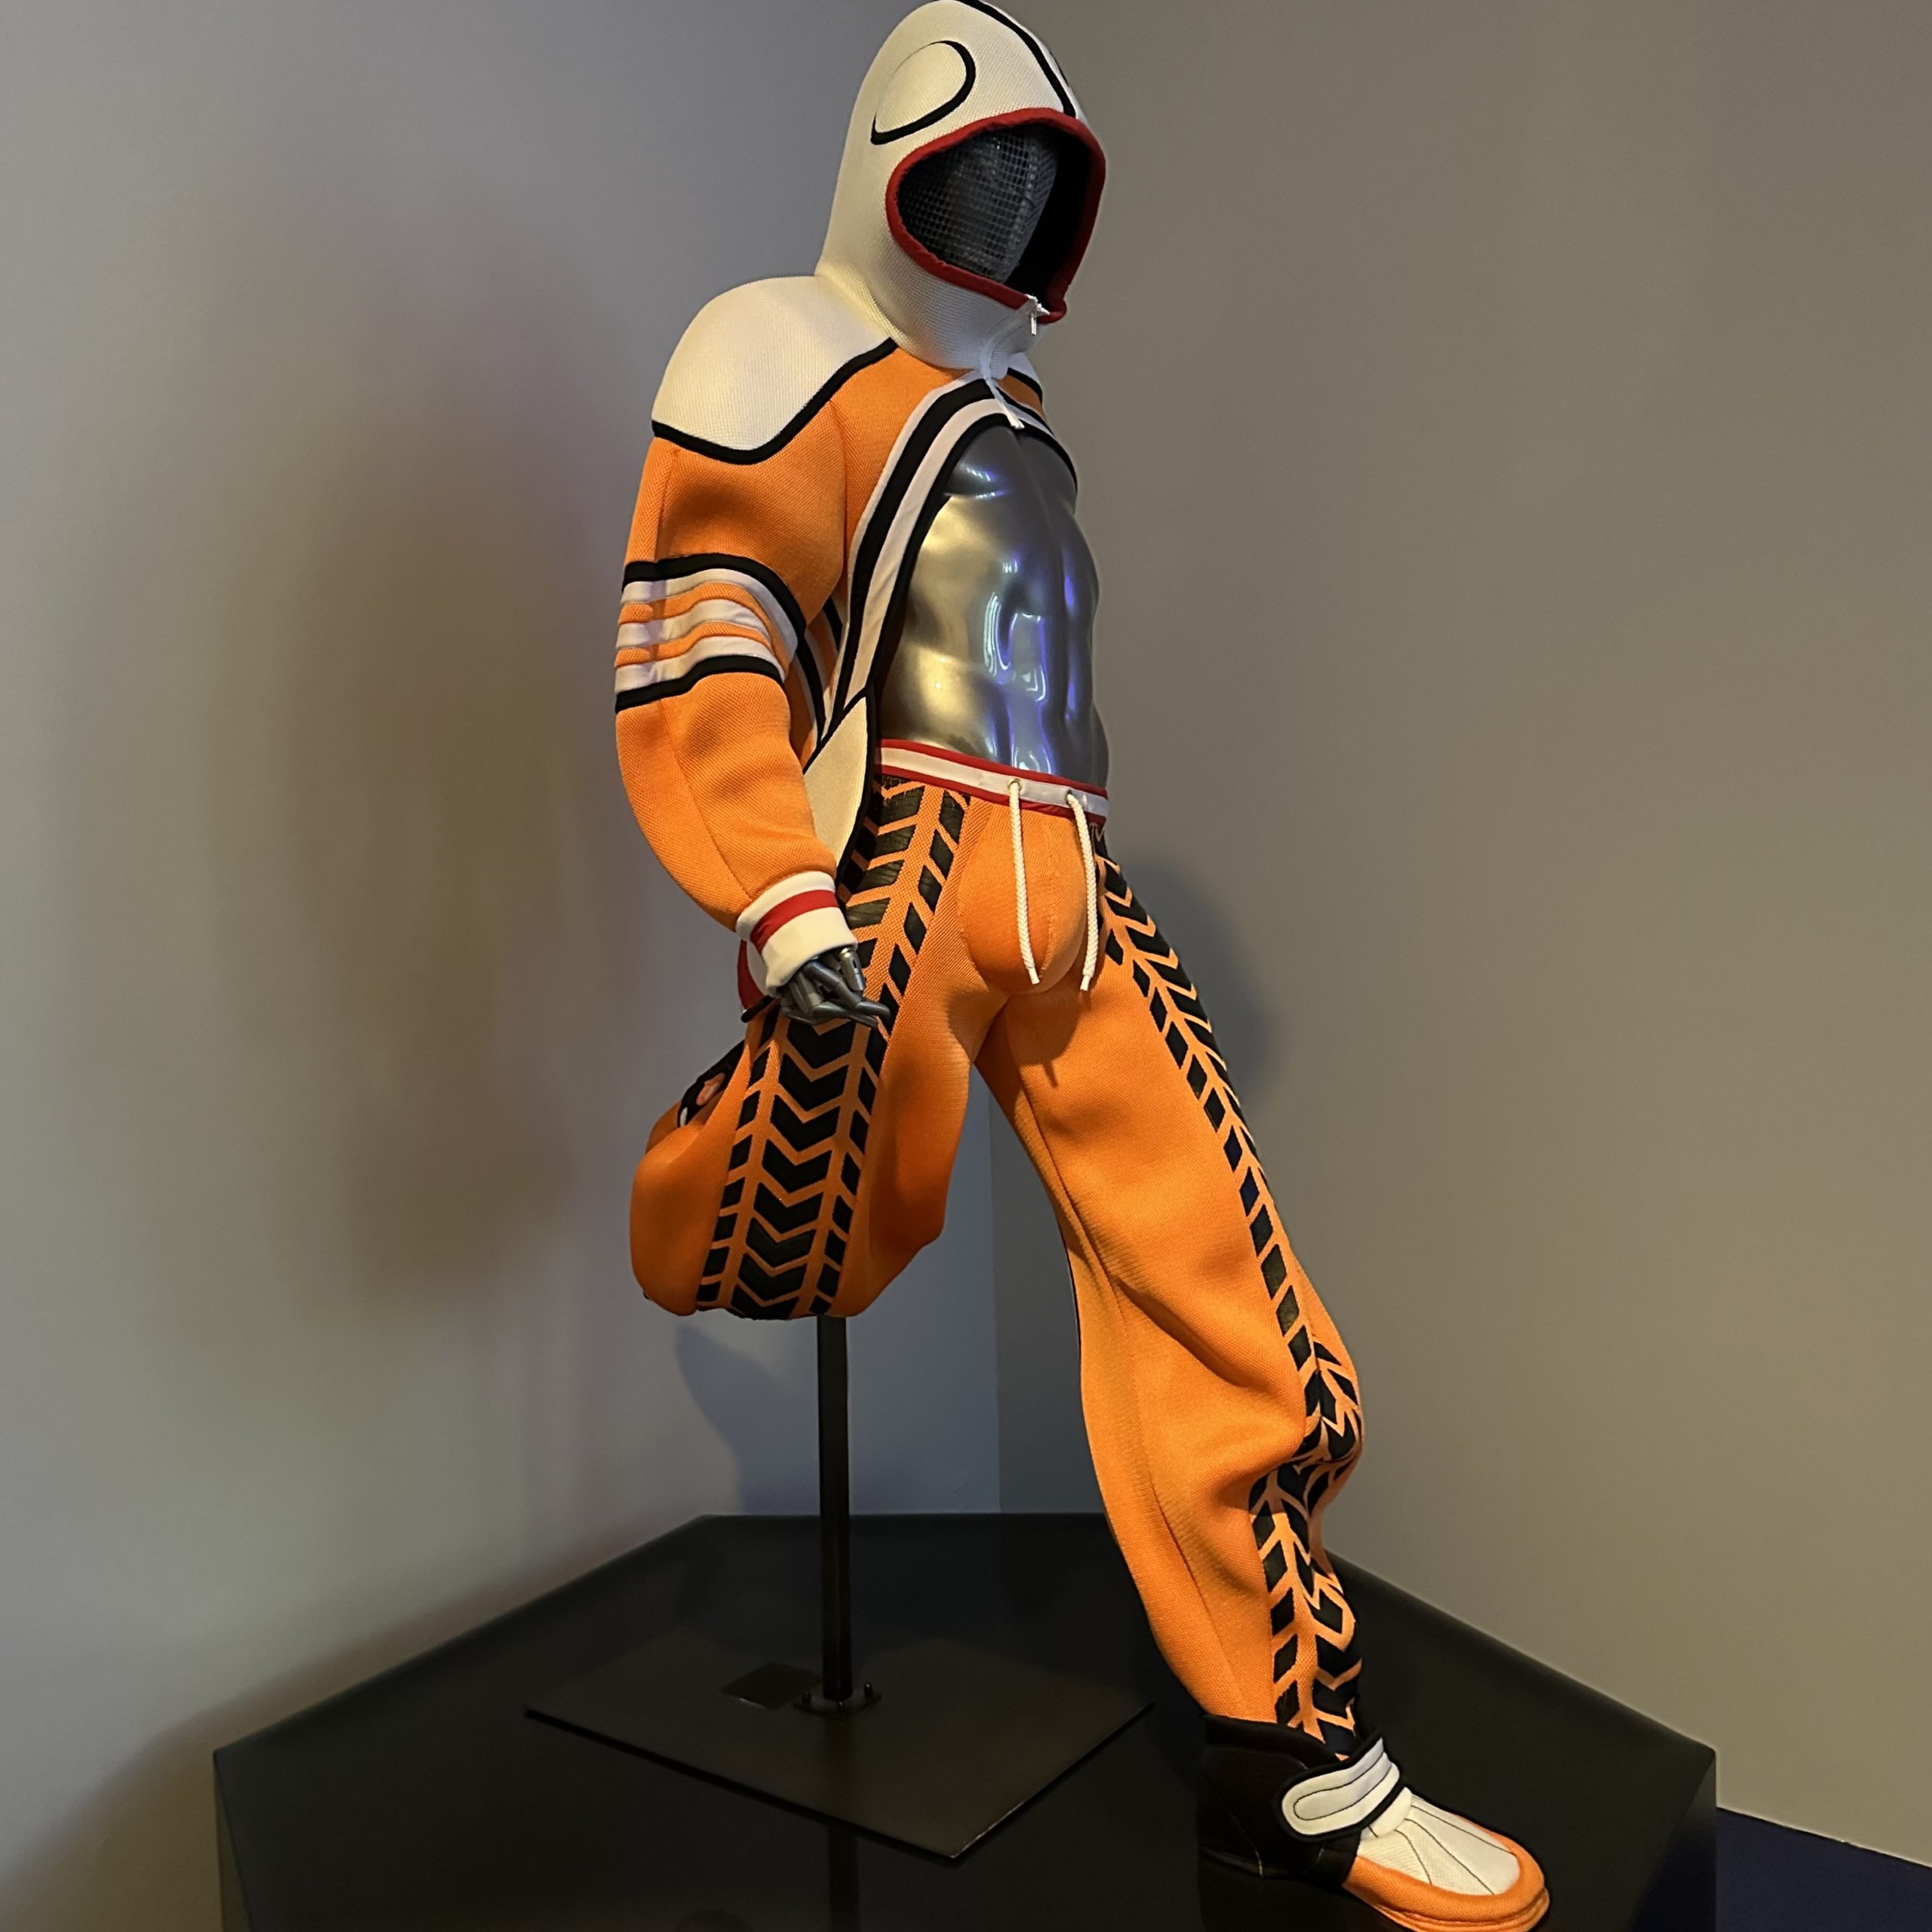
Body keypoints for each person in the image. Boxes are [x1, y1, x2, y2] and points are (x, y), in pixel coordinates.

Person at [612, 7, 1546, 1926]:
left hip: (1070, 871)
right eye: (982, 181)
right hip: (903, 853)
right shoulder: (779, 350)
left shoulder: (1020, 411)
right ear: (897, 174)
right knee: (811, 1195)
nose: (1011, 220)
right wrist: (776, 891)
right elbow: (708, 628)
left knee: (1221, 1276)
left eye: (1042, 189)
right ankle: (703, 1193)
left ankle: (1294, 1753)